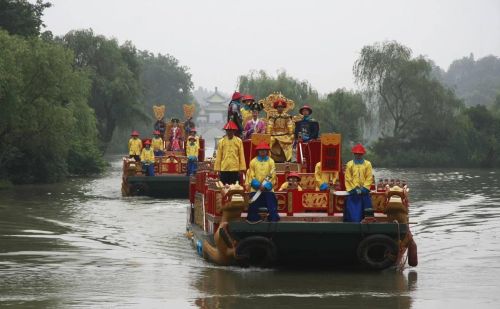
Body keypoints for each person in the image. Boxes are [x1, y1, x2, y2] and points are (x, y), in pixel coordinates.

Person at [245, 142, 280, 222]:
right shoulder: (253, 162)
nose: (263, 152)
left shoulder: (271, 161)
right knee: (253, 203)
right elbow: (251, 176)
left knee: (272, 202)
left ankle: (273, 219)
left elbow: (273, 175)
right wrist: (257, 185)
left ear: (267, 151)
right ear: (258, 151)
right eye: (261, 150)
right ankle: (253, 219)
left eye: (264, 150)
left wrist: (266, 186)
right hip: (256, 189)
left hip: (268, 189)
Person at [344, 143, 373, 222]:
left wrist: (364, 188)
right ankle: (353, 223)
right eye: (356, 154)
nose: (358, 155)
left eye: (360, 154)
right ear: (354, 154)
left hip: (364, 191)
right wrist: (354, 189)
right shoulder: (350, 164)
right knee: (353, 213)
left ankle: (367, 221)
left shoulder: (368, 164)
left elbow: (369, 177)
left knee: (367, 211)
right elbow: (348, 178)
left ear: (362, 154)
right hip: (354, 192)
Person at [214, 120, 246, 185]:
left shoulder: (238, 141)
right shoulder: (221, 141)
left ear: (234, 131)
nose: (229, 132)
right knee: (223, 188)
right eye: (228, 130)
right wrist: (217, 169)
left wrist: (241, 168)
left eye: (231, 130)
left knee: (234, 188)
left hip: (235, 169)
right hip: (224, 168)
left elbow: (241, 155)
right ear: (226, 131)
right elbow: (219, 156)